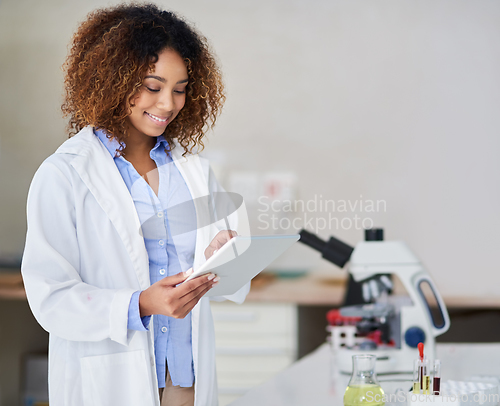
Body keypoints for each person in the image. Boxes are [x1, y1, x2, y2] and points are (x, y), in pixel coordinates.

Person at [21, 4, 249, 406]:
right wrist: (139, 303)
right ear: (112, 79)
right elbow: (51, 297)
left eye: (179, 89)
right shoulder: (65, 174)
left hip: (185, 379)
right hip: (110, 380)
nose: (167, 104)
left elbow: (225, 277)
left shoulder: (193, 171)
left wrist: (222, 255)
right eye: (152, 86)